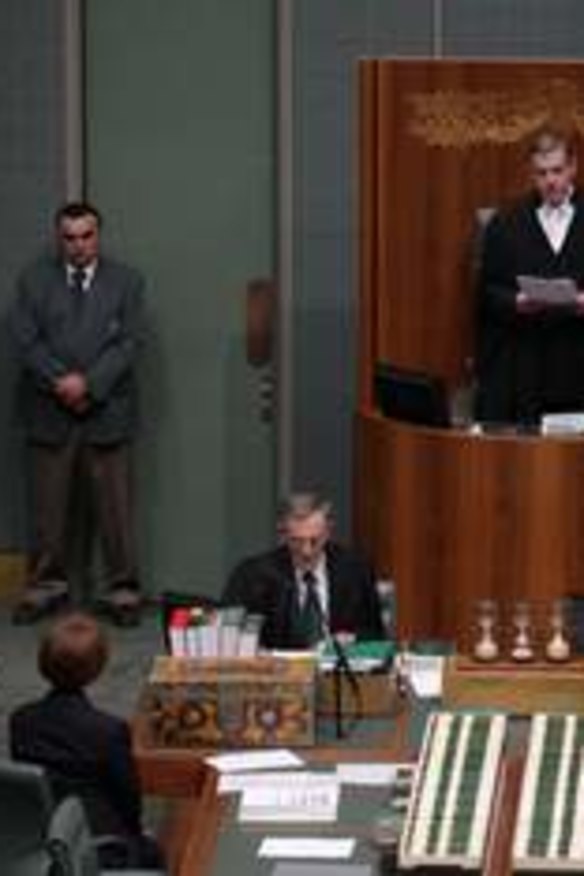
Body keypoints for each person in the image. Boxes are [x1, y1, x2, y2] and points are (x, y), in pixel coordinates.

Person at [11, 201, 144, 626]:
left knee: (116, 511)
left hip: (106, 409)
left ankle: (122, 591)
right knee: (48, 512)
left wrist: (89, 384)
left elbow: (129, 342)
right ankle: (46, 587)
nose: (79, 245)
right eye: (70, 237)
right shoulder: (33, 281)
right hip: (49, 410)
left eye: (87, 236)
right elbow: (26, 342)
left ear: (98, 235)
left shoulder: (127, 281)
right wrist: (61, 382)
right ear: (59, 238)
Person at [9, 611, 163, 870]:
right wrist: (137, 836)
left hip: (42, 838)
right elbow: (128, 797)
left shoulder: (20, 720)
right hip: (100, 845)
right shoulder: (109, 731)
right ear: (98, 667)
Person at [475, 124, 584, 424]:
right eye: (542, 173)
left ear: (573, 167)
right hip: (526, 368)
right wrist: (516, 302)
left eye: (557, 170)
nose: (550, 181)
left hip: (578, 360)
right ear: (531, 173)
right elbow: (487, 291)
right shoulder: (506, 223)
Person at [222, 492, 383, 649]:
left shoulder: (355, 571)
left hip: (337, 671)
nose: (306, 551)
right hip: (279, 672)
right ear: (283, 534)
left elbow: (376, 635)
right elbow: (230, 635)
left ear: (328, 532)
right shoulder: (252, 575)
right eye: (296, 541)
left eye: (315, 540)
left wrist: (352, 639)